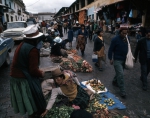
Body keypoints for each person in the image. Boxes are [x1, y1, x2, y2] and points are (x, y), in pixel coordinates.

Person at [10, 25, 46, 118]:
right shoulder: (32, 50)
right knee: (34, 97)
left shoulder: (21, 44)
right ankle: (35, 114)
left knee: (26, 99)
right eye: (38, 38)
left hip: (15, 76)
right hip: (22, 77)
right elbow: (33, 70)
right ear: (35, 39)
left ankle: (32, 113)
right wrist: (41, 73)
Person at [108, 27, 128, 98]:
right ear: (120, 32)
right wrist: (110, 58)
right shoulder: (115, 39)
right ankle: (122, 91)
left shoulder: (126, 39)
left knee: (119, 73)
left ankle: (114, 80)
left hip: (124, 60)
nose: (125, 35)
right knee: (121, 74)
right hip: (117, 60)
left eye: (126, 33)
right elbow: (110, 49)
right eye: (123, 33)